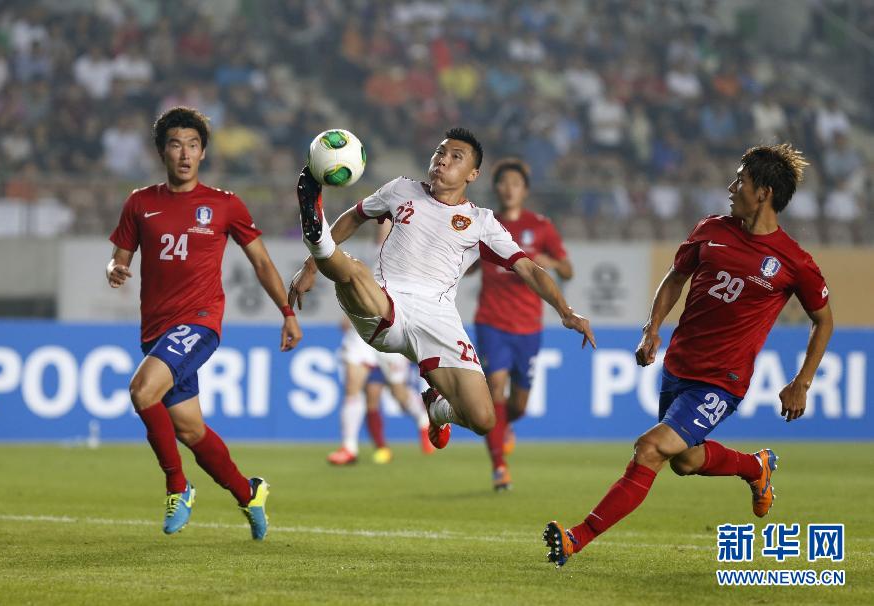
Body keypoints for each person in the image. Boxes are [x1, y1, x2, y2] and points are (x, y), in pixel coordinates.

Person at [544, 143, 833, 567]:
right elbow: (675, 277)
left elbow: (823, 320)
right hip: (679, 367)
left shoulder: (793, 261)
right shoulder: (712, 229)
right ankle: (755, 467)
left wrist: (802, 380)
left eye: (741, 180)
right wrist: (653, 327)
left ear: (764, 192)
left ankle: (575, 538)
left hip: (723, 379)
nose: (732, 187)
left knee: (649, 448)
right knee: (685, 460)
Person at [289, 127, 595, 455]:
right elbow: (354, 216)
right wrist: (310, 267)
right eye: (440, 153)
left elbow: (529, 269)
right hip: (385, 301)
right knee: (354, 272)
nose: (442, 161)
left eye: (455, 157)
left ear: (473, 174)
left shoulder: (482, 222)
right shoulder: (400, 189)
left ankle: (437, 410)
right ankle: (317, 236)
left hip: (438, 319)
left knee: (484, 418)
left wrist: (566, 311)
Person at [106, 107, 302, 540]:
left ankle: (178, 487)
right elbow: (118, 259)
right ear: (162, 152)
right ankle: (248, 492)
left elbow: (262, 263)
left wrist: (287, 313)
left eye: (193, 145)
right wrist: (114, 270)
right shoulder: (140, 202)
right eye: (176, 144)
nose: (185, 153)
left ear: (203, 153)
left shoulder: (224, 204)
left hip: (199, 322)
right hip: (156, 331)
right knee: (190, 428)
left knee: (141, 391)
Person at [471, 158, 572, 490]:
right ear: (497, 188)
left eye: (516, 182)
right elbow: (466, 261)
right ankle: (499, 467)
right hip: (491, 322)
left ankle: (504, 427)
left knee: (518, 405)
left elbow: (568, 270)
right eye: (504, 182)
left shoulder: (541, 226)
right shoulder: (483, 224)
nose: (509, 187)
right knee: (495, 387)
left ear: (525, 190)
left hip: (528, 326)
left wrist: (552, 262)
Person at [327, 320, 434, 465]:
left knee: (398, 394)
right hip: (361, 333)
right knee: (353, 389)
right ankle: (349, 448)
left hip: (388, 331)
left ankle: (423, 420)